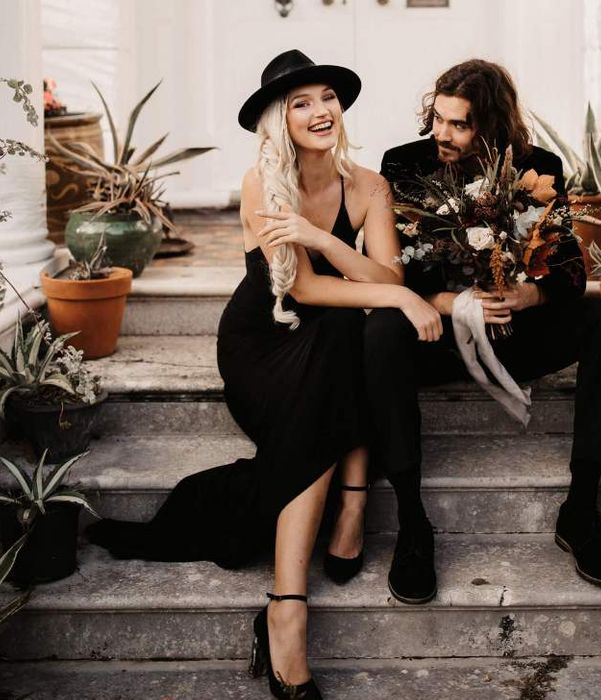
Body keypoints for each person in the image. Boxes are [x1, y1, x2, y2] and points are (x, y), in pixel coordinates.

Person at [87, 49, 442, 700]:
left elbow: (386, 276)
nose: (319, 111)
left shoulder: (370, 186)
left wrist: (335, 242)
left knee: (352, 336)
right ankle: (302, 580)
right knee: (349, 329)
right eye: (300, 103)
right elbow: (305, 288)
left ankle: (300, 586)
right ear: (279, 121)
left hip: (325, 341)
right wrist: (391, 293)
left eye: (327, 98)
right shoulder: (263, 181)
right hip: (262, 342)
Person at [367, 59, 601, 606]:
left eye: (458, 125)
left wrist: (530, 293)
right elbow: (394, 274)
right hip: (436, 337)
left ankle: (581, 508)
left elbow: (571, 272)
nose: (441, 133)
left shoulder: (538, 167)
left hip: (517, 336)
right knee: (381, 330)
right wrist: (451, 302)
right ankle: (413, 524)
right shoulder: (404, 165)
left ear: (489, 126)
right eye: (437, 119)